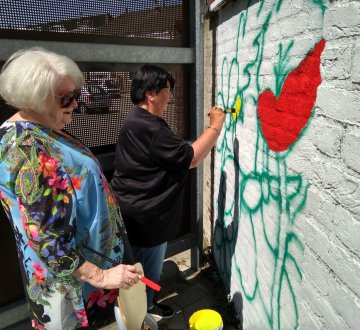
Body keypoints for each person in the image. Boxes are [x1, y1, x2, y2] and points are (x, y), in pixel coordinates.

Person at [0, 47, 142, 329]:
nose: (76, 103)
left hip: (78, 273)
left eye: (76, 94)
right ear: (36, 98)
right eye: (66, 97)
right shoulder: (29, 151)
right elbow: (45, 238)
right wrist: (101, 278)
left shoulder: (38, 127)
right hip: (69, 285)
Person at [110, 64, 226, 321]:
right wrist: (216, 125)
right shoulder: (148, 127)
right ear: (150, 94)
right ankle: (142, 317)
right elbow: (192, 158)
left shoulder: (137, 119)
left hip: (137, 212)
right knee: (140, 276)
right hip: (145, 218)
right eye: (167, 90)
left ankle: (143, 309)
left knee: (140, 272)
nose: (171, 96)